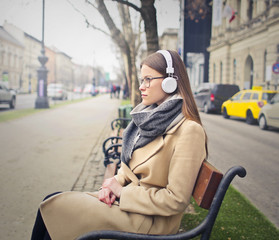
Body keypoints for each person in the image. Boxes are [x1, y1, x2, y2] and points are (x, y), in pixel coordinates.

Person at [31, 50, 208, 240]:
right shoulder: (152, 118)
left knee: (57, 207)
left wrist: (122, 192)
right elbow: (131, 166)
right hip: (131, 207)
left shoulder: (189, 130)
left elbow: (176, 200)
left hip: (151, 222)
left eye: (148, 79)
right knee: (51, 201)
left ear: (170, 81)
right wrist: (113, 183)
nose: (142, 87)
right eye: (141, 80)